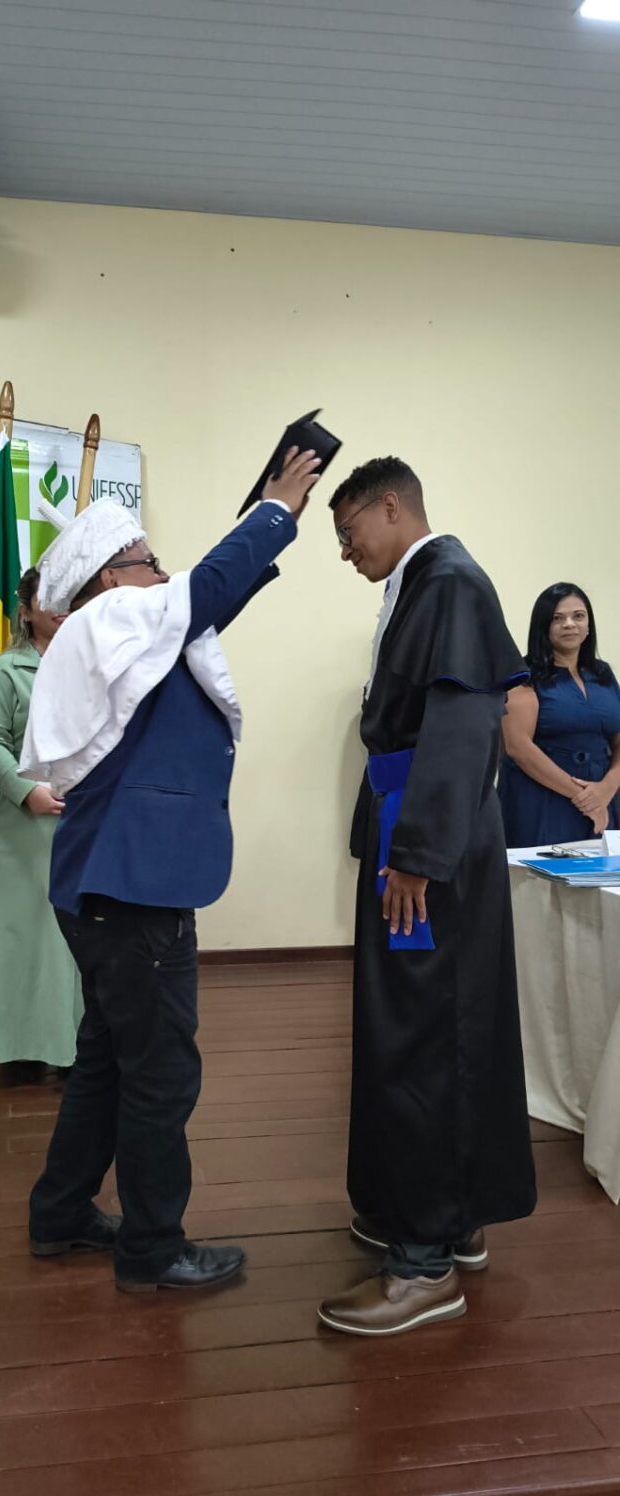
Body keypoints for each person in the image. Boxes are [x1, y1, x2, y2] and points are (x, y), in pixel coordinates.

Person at [19, 448, 321, 1293]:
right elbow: (202, 590)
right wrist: (273, 511)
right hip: (132, 887)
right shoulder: (110, 618)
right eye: (149, 559)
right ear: (110, 577)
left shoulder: (117, 632)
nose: (163, 571)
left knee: (108, 1060)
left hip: (111, 882)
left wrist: (263, 539)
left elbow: (205, 600)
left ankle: (60, 1213)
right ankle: (152, 1249)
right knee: (158, 1071)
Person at [318, 458, 536, 1338]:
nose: (344, 552)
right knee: (441, 1020)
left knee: (422, 1031)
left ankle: (422, 1266)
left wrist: (413, 855)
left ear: (390, 505)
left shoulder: (447, 580)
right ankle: (450, 1214)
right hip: (415, 828)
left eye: (347, 534)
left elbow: (459, 723)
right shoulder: (424, 584)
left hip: (427, 844)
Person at [0, 567, 84, 1077]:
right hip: (28, 826)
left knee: (80, 942)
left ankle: (79, 1050)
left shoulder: (95, 662)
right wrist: (25, 790)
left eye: (69, 596)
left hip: (88, 822)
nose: (61, 607)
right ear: (26, 609)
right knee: (28, 938)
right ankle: (22, 1052)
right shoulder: (7, 670)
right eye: (49, 598)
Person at [498, 583, 620, 847]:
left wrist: (607, 787)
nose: (569, 624)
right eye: (557, 618)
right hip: (540, 800)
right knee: (540, 873)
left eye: (578, 616)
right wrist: (583, 797)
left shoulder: (602, 674)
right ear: (543, 625)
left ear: (589, 625)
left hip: (603, 800)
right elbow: (518, 747)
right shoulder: (523, 676)